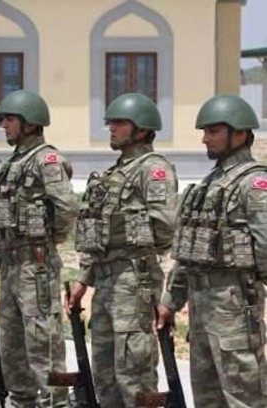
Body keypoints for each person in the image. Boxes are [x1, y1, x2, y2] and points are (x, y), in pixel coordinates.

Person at [67, 93, 178, 406]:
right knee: (105, 373)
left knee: (133, 372)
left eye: (119, 123)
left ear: (141, 130)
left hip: (133, 280)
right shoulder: (114, 174)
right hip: (105, 281)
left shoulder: (153, 170)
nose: (111, 129)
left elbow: (164, 228)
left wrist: (129, 242)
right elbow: (97, 231)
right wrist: (83, 278)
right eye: (110, 123)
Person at [159, 95, 267, 407]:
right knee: (207, 397)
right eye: (205, 131)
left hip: (235, 307)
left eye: (213, 131)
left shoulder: (254, 183)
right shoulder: (209, 184)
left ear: (240, 133)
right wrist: (171, 300)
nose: (205, 138)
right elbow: (189, 250)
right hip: (201, 308)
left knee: (244, 396)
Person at [0, 89, 76, 407]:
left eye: (10, 119)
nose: (3, 124)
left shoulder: (46, 160)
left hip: (36, 268)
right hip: (10, 269)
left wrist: (46, 240)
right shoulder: (9, 165)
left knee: (43, 347)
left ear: (30, 123)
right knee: (14, 352)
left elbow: (67, 208)